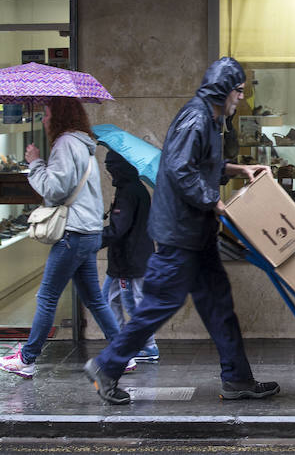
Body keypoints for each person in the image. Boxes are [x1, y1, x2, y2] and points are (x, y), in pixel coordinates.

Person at [84, 57, 276, 405]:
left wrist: (239, 169)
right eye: (238, 91)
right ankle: (106, 366)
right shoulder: (197, 117)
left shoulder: (209, 117)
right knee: (159, 302)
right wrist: (214, 202)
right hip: (179, 234)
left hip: (195, 232)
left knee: (219, 305)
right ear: (225, 90)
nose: (240, 98)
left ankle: (237, 379)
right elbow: (180, 170)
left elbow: (202, 164)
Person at [0, 97, 135, 379]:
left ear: (59, 115)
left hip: (72, 233)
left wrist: (35, 163)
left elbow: (54, 189)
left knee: (47, 296)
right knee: (95, 300)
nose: (44, 119)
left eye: (47, 113)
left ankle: (26, 358)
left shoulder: (64, 144)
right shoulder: (84, 144)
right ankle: (124, 354)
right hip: (88, 232)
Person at [100, 150, 159, 362]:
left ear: (118, 168)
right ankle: (125, 343)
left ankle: (145, 346)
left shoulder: (127, 192)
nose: (108, 174)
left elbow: (119, 229)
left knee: (130, 304)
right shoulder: (135, 189)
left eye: (110, 169)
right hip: (129, 258)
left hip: (128, 260)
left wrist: (95, 239)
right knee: (109, 300)